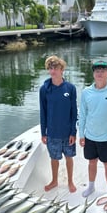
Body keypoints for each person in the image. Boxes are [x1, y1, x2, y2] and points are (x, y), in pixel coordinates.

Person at [79, 60, 107, 197]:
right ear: (93, 74)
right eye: (97, 71)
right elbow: (82, 115)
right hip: (90, 136)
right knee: (91, 162)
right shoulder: (86, 92)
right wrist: (81, 135)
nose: (99, 73)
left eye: (102, 70)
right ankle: (91, 186)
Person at [39, 55, 77, 192]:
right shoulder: (44, 89)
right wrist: (44, 132)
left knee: (69, 158)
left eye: (55, 68)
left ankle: (70, 181)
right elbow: (42, 112)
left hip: (67, 132)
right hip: (53, 133)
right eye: (50, 68)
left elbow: (74, 112)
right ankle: (54, 181)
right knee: (54, 159)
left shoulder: (70, 88)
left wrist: (73, 132)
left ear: (62, 69)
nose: (52, 71)